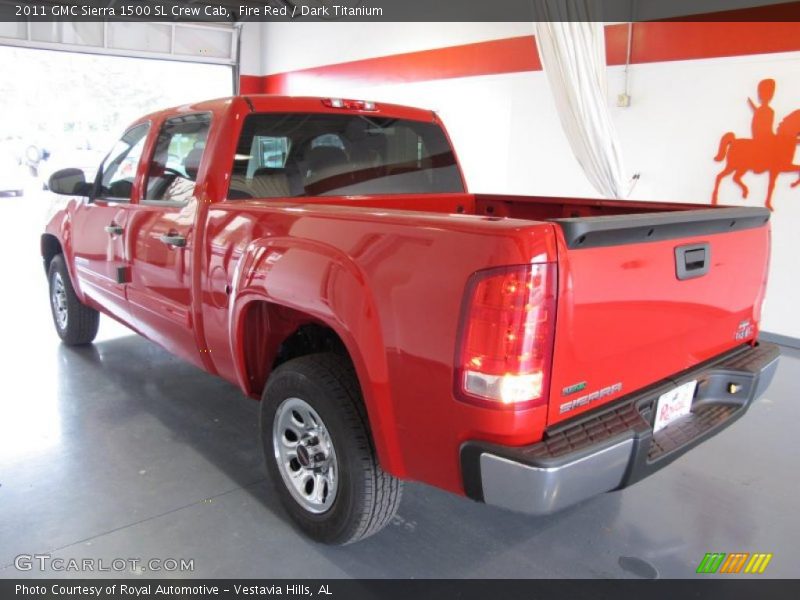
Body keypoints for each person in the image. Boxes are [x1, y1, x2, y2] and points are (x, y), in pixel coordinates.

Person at [747, 78, 777, 143]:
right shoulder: (769, 111)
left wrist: (752, 105)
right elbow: (766, 129)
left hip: (760, 136)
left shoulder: (767, 110)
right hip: (762, 137)